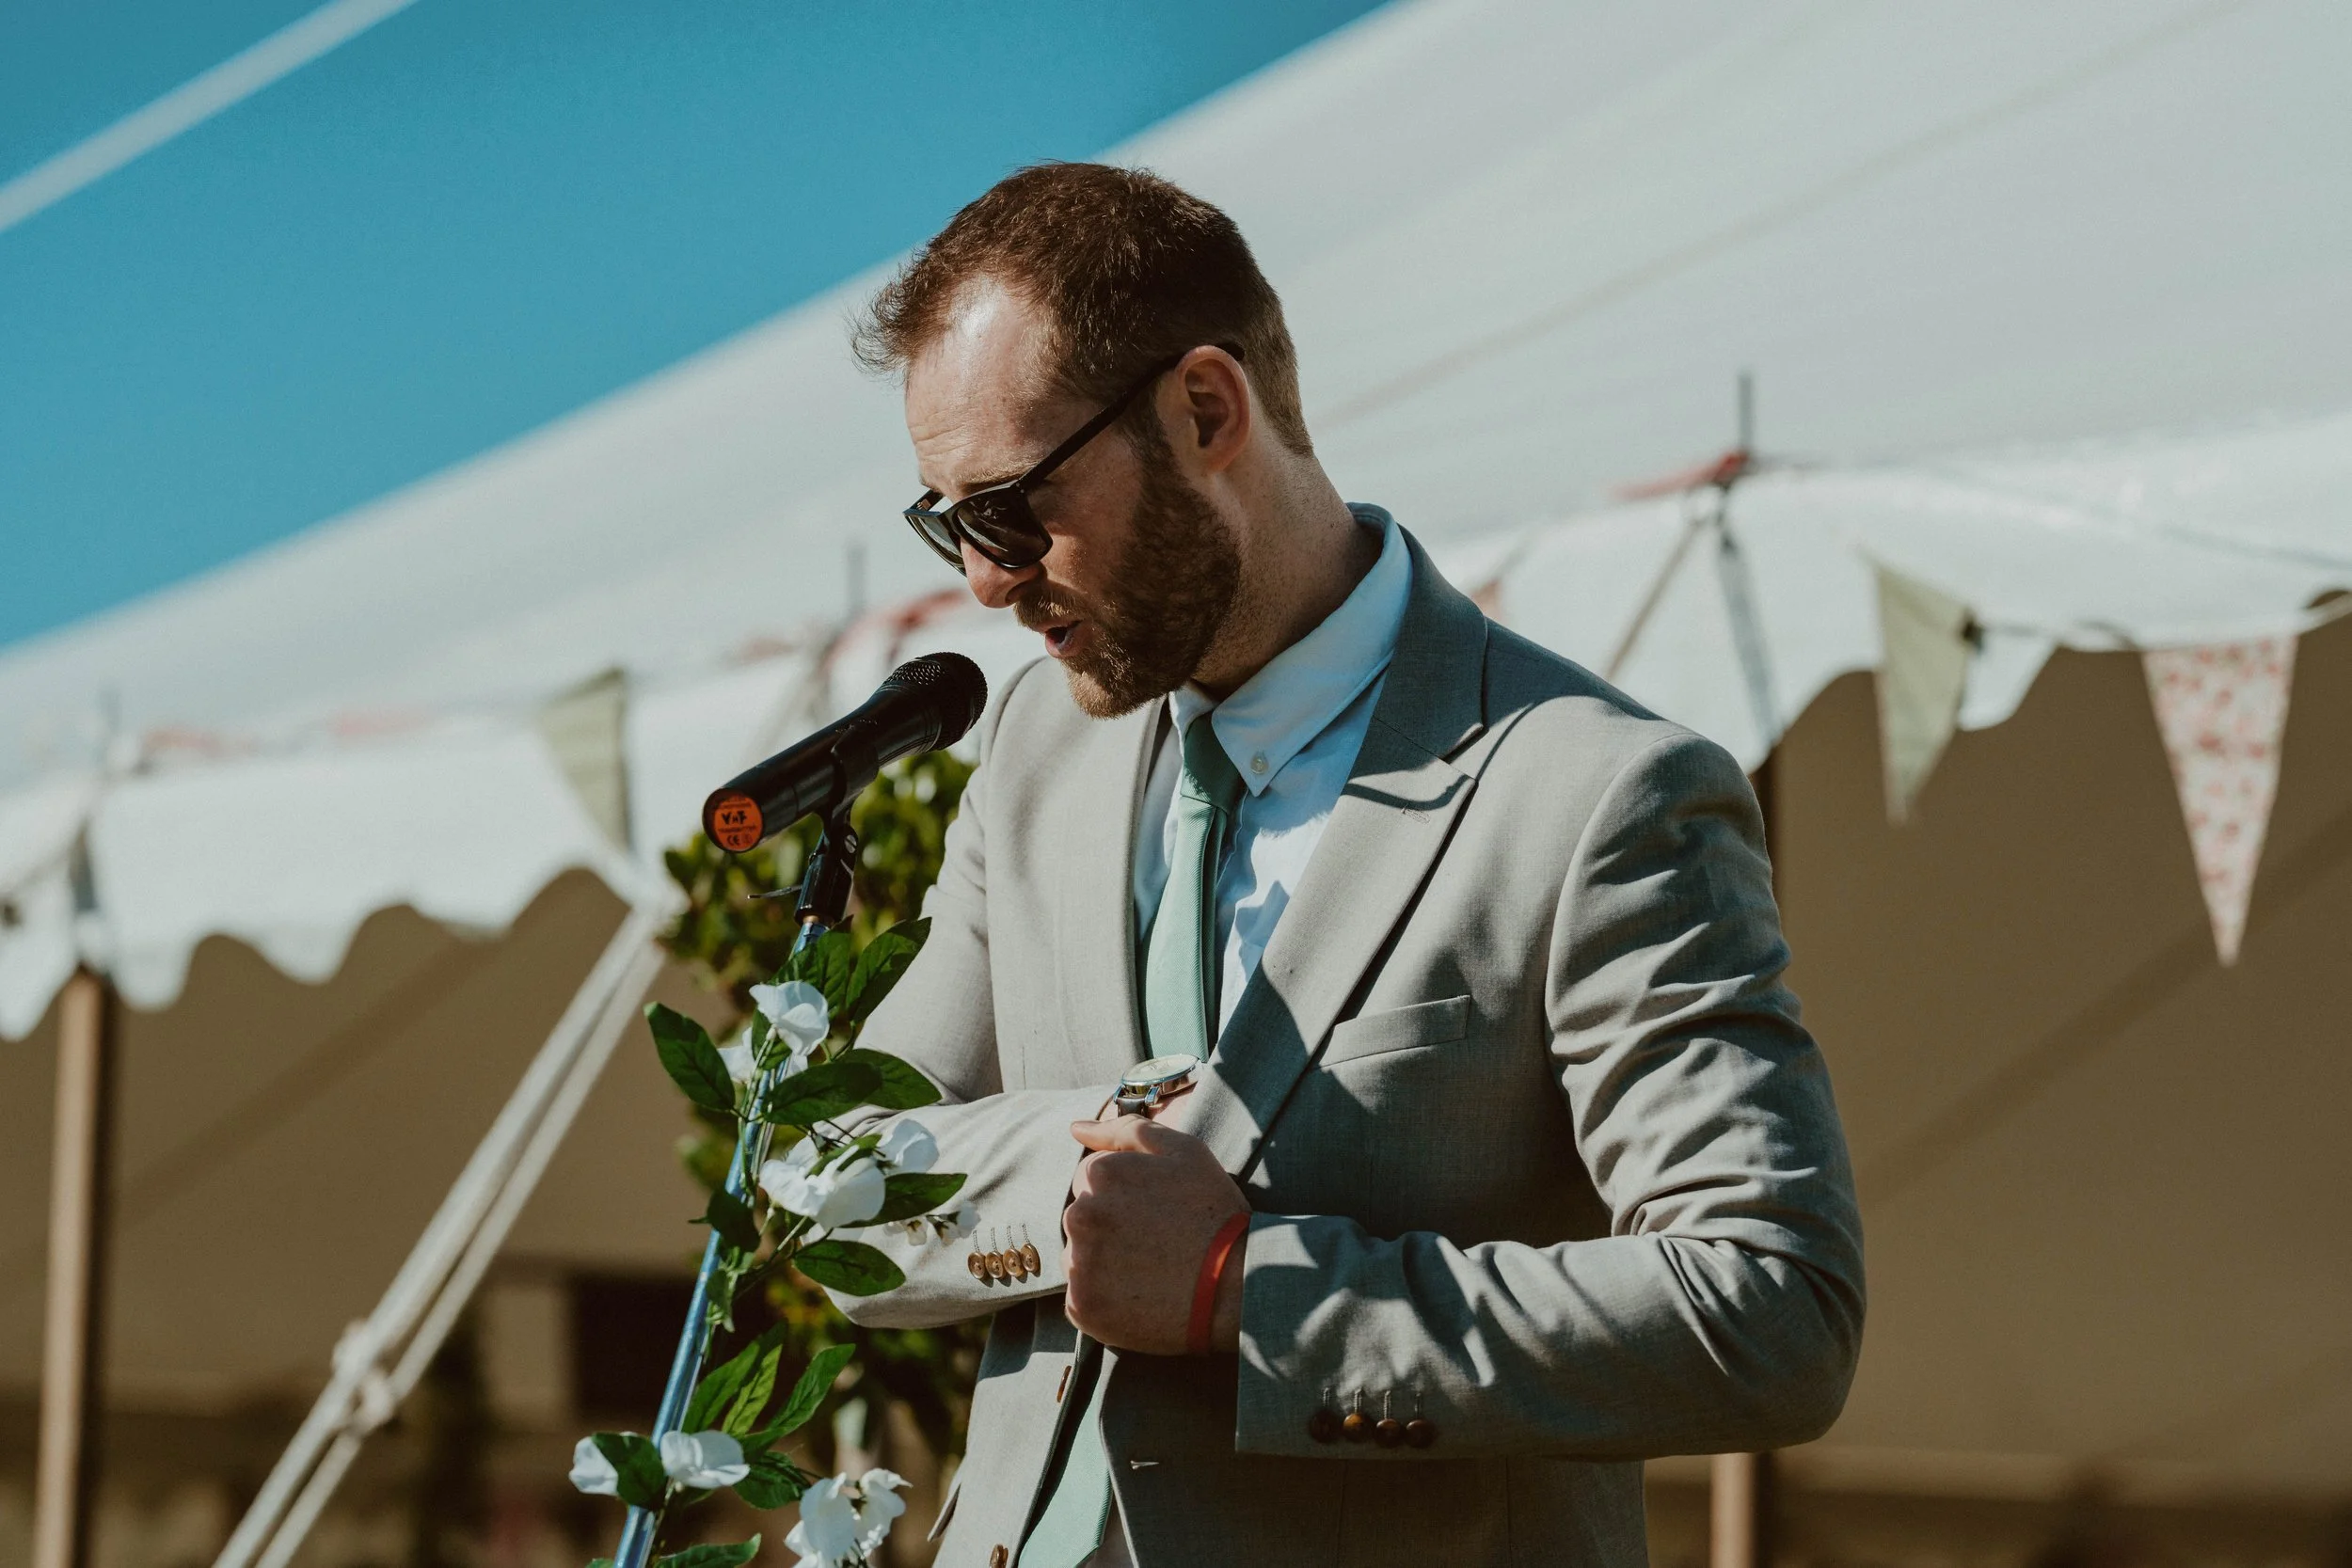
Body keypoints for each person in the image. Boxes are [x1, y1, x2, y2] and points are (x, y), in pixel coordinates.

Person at [835, 162, 1864, 1568]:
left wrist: (1242, 1287)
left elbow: (1771, 1311)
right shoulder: (1033, 750)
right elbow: (836, 1175)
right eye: (946, 522)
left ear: (1206, 411)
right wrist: (1096, 1164)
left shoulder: (1594, 794)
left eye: (1012, 508)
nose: (986, 583)